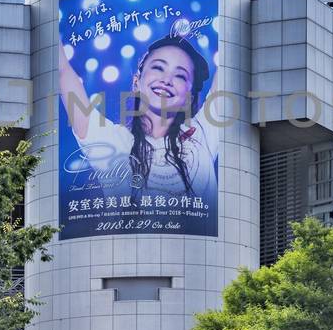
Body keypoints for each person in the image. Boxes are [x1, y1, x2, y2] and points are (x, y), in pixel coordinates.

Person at [58, 28, 218, 212]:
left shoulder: (203, 133)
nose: (167, 80)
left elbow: (230, 63)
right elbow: (62, 71)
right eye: (158, 67)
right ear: (136, 82)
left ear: (189, 98)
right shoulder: (112, 140)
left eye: (180, 75)